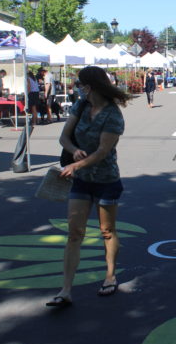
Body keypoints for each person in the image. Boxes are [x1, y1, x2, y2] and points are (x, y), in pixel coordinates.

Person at [47, 66, 131, 308]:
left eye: (80, 83)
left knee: (107, 231)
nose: (77, 86)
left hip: (106, 180)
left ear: (90, 85)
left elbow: (103, 151)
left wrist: (77, 165)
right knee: (74, 233)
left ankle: (110, 275)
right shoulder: (81, 105)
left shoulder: (113, 115)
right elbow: (64, 137)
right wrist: (74, 152)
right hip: (82, 179)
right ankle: (65, 290)